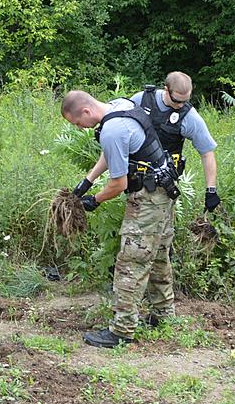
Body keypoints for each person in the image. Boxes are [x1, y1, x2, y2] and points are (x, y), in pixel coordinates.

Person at [61, 90, 181, 347]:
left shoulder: (112, 129)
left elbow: (118, 184)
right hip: (164, 193)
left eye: (77, 123)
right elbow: (112, 152)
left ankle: (121, 331)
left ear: (85, 112)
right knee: (159, 255)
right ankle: (164, 315)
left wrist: (94, 200)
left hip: (147, 200)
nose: (80, 127)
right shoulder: (120, 107)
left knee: (131, 263)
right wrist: (87, 182)